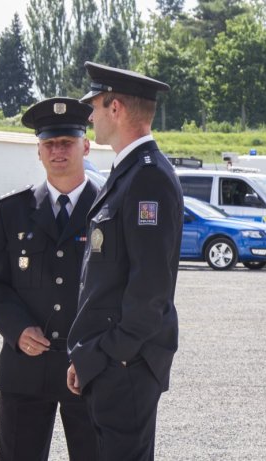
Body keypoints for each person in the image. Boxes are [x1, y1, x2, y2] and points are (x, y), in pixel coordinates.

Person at [66, 61, 184, 460]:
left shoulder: (146, 176)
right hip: (111, 359)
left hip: (124, 364)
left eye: (95, 106)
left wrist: (104, 354)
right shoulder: (128, 172)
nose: (91, 116)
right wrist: (87, 354)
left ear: (115, 108)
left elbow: (150, 289)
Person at [0, 97, 99, 460]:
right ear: (39, 152)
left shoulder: (109, 209)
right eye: (49, 144)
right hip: (25, 369)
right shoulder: (12, 210)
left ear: (85, 145)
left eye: (67, 142)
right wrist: (17, 329)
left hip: (89, 367)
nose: (58, 151)